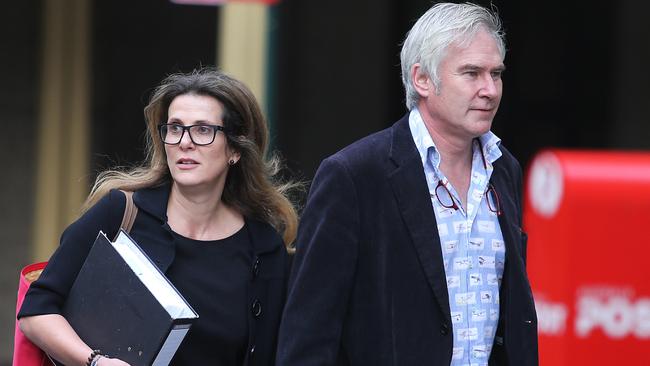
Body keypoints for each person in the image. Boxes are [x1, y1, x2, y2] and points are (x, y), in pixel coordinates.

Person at [276, 3, 538, 365]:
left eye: (496, 74)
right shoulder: (354, 175)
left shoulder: (504, 168)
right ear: (422, 79)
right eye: (472, 73)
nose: (490, 90)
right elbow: (309, 332)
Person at [18, 68, 298, 365]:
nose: (184, 142)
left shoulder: (263, 247)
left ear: (235, 149)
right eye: (175, 128)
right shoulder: (121, 213)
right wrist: (95, 362)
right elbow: (36, 312)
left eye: (203, 130)